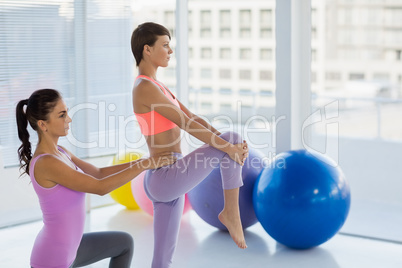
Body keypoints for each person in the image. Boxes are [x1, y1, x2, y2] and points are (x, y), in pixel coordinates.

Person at [131, 22, 249, 268]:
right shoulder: (144, 87)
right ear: (147, 50)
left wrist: (229, 145)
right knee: (233, 137)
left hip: (168, 179)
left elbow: (194, 118)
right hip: (165, 176)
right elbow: (185, 123)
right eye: (165, 45)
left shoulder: (157, 86)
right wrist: (229, 146)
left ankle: (230, 212)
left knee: (162, 260)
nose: (170, 51)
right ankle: (230, 213)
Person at [16, 88, 176, 268]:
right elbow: (100, 187)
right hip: (53, 259)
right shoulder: (47, 163)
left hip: (73, 249)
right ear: (43, 124)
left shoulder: (61, 152)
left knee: (123, 244)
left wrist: (144, 160)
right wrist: (144, 165)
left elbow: (98, 173)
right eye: (62, 115)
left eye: (67, 112)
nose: (69, 119)